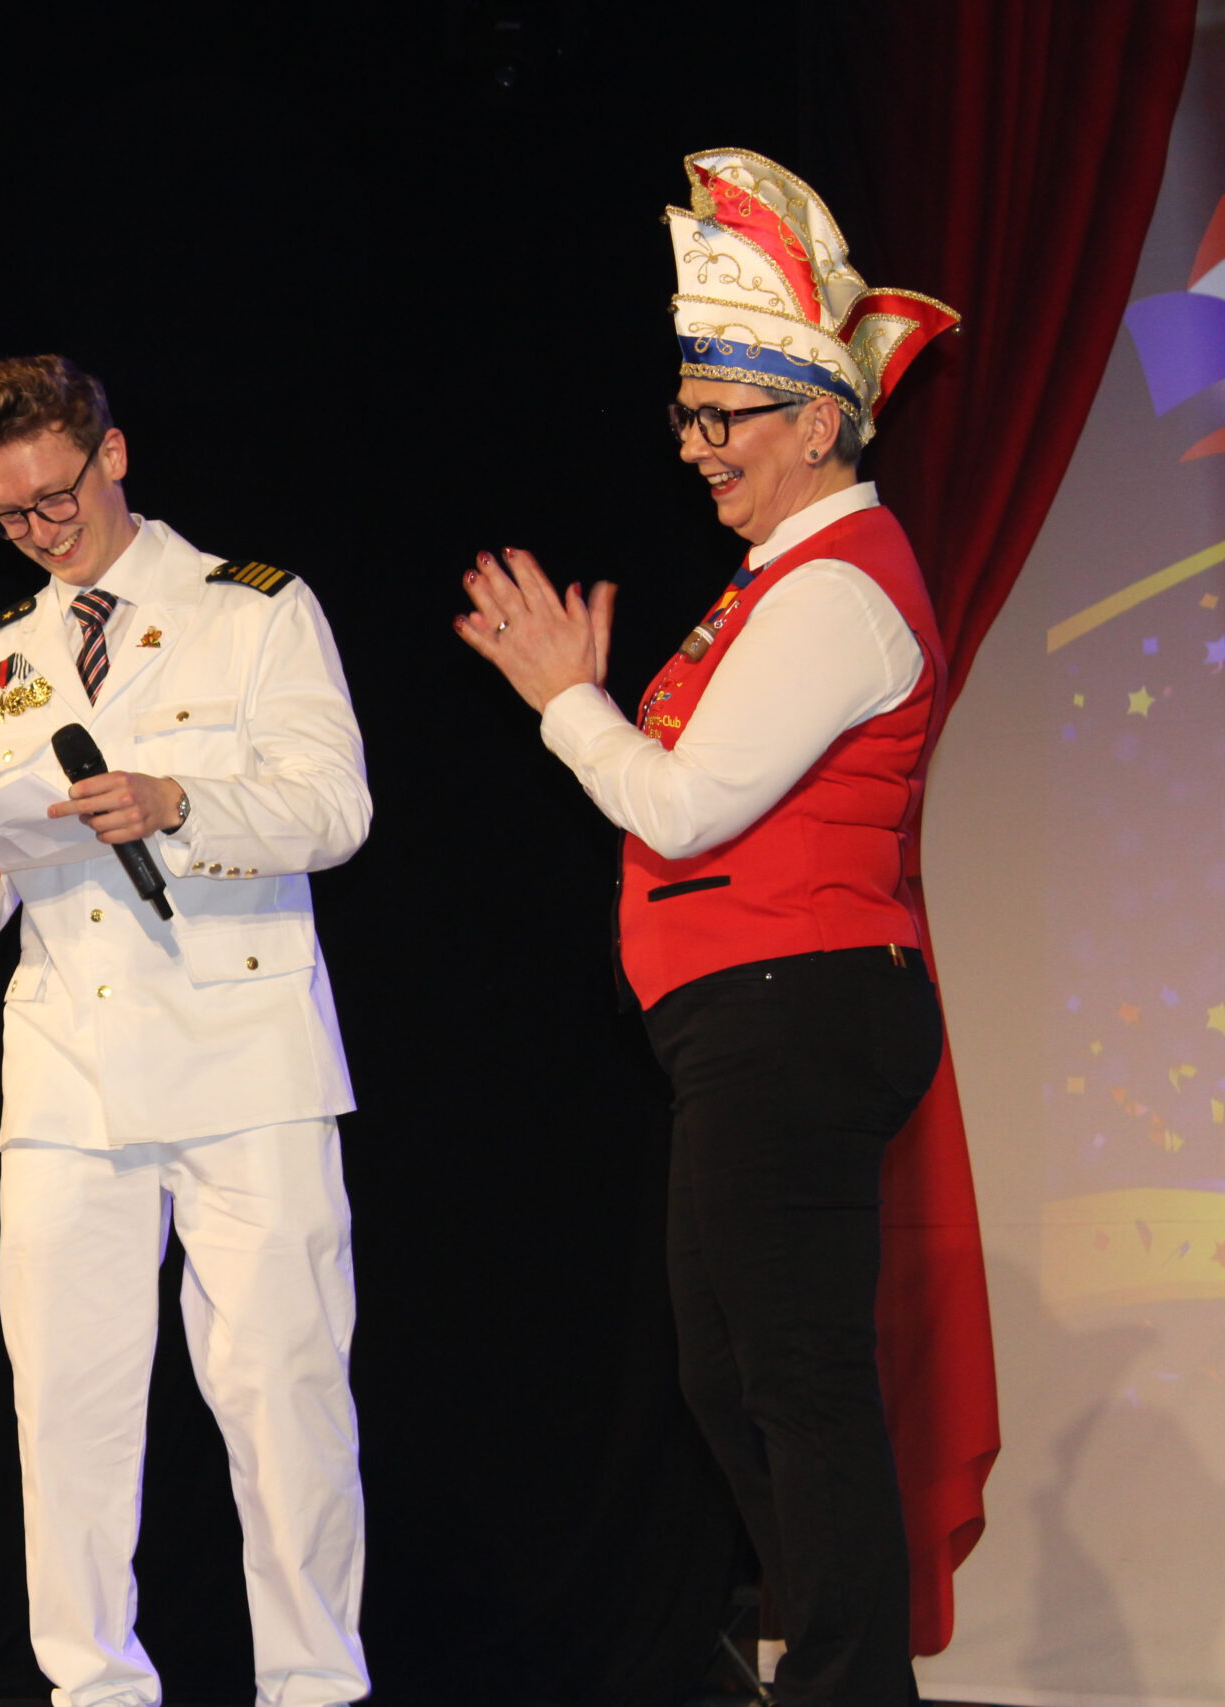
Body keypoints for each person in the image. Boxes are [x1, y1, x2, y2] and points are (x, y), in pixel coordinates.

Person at [453, 151, 964, 1707]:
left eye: (723, 418)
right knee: (727, 1369)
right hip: (748, 1016)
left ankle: (848, 1681)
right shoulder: (772, 582)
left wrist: (568, 702)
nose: (696, 449)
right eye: (686, 417)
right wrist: (587, 703)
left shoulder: (834, 587)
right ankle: (832, 1660)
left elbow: (682, 808)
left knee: (791, 1372)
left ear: (820, 420)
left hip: (800, 1000)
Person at [0, 355, 373, 1706]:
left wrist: (179, 800)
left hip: (245, 1057)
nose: (40, 532)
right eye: (10, 515)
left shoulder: (254, 609)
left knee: (282, 1393)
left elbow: (335, 809)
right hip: (67, 1066)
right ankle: (94, 1685)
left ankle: (313, 1683)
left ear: (111, 454)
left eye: (55, 497)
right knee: (67, 1403)